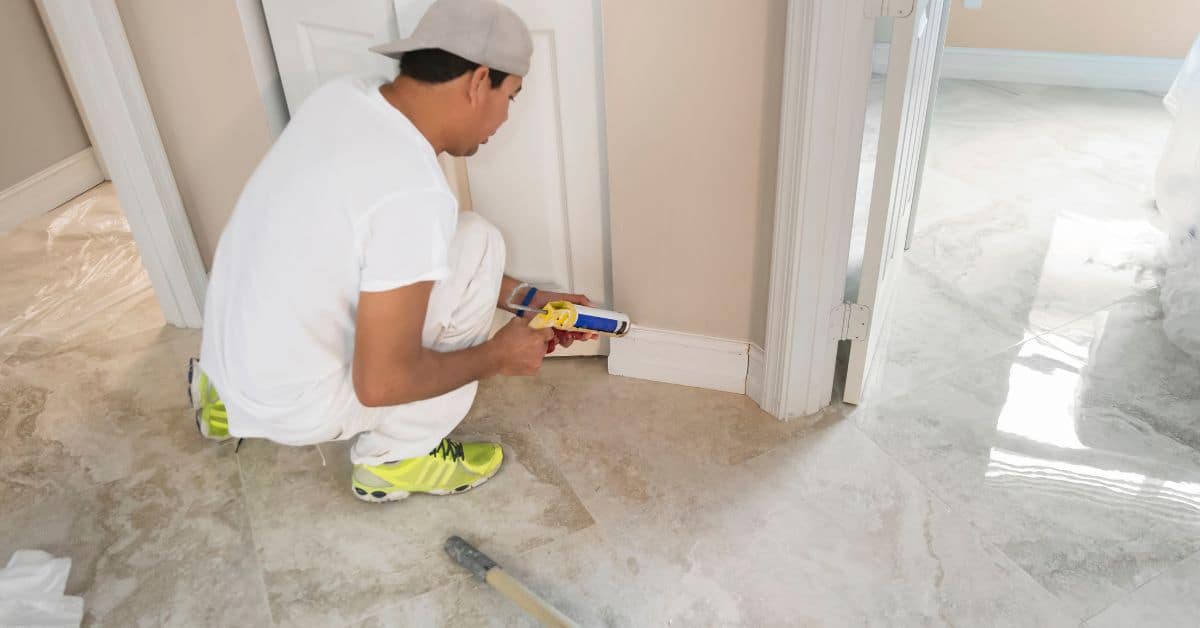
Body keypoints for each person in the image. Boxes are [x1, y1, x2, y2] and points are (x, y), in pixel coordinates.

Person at [187, 0, 595, 503]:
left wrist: (525, 298)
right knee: (481, 243)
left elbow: (366, 258)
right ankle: (395, 459)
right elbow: (381, 385)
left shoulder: (342, 99)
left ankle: (227, 400)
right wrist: (495, 356)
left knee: (473, 238)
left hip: (236, 358)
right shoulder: (412, 193)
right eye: (511, 95)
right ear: (478, 80)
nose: (507, 116)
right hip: (297, 402)